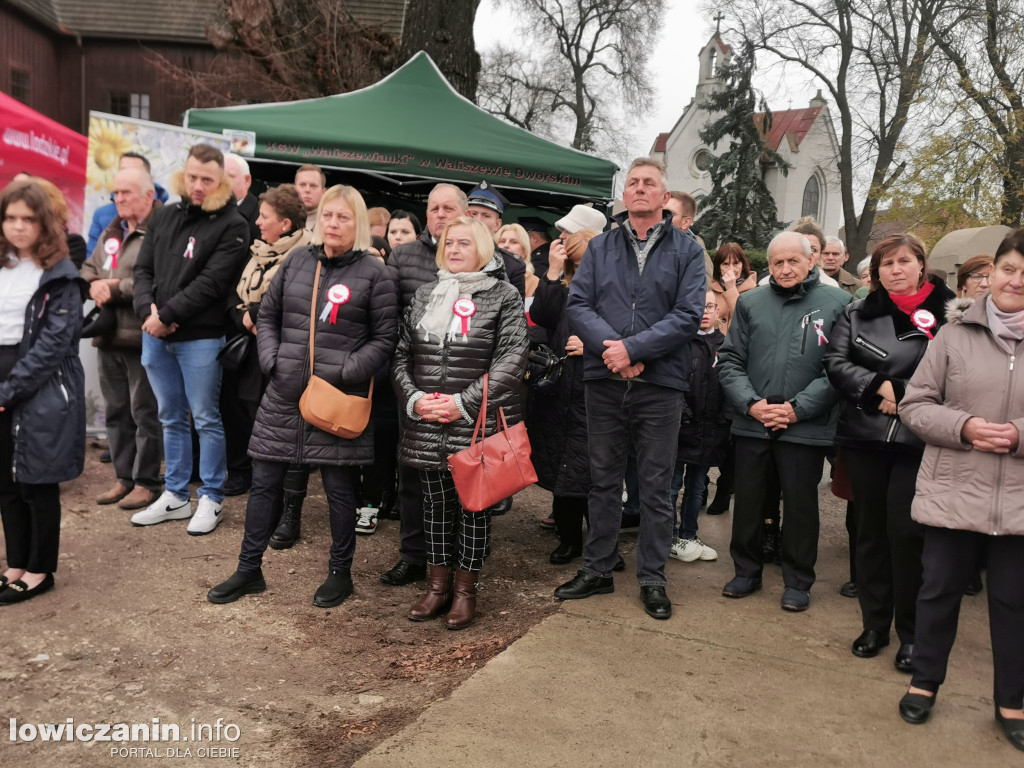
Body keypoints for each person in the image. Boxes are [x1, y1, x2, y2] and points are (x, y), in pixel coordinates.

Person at [208, 185, 399, 607]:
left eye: (343, 217)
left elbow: (386, 339)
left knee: (339, 489)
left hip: (335, 397)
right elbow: (269, 314)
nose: (333, 223)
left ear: (358, 224)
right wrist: (272, 359)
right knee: (264, 483)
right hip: (284, 391)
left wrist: (347, 371)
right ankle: (248, 569)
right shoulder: (296, 260)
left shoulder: (375, 274)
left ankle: (340, 573)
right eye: (328, 215)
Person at [554, 157, 706, 621]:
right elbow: (579, 303)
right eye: (633, 183)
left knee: (657, 487)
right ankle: (598, 569)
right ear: (625, 195)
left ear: (664, 196)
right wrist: (613, 351)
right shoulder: (600, 248)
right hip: (604, 379)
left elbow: (687, 314)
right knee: (602, 482)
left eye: (650, 183)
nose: (640, 189)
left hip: (660, 383)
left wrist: (636, 350)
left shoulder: (688, 250)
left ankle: (653, 579)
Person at [895, 230, 1024, 753]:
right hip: (954, 487)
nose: (1018, 281)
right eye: (1011, 269)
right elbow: (915, 404)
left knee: (1015, 602)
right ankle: (924, 681)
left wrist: (1019, 434)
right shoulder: (954, 335)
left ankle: (1012, 701)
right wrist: (965, 426)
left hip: (1018, 497)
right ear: (992, 272)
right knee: (939, 590)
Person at [825, 233, 955, 670]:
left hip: (920, 441)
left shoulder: (951, 315)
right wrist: (880, 387)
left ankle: (912, 634)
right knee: (870, 534)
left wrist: (906, 396)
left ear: (921, 264)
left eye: (904, 261)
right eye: (886, 264)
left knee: (907, 536)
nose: (896, 269)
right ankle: (874, 624)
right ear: (876, 272)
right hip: (866, 434)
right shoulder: (858, 311)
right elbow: (836, 363)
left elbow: (960, 372)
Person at [393, 215, 528, 629]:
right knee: (435, 507)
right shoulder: (425, 294)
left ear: (483, 248)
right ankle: (437, 588)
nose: (453, 249)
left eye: (464, 243)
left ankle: (465, 591)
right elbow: (402, 356)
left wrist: (462, 403)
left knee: (474, 508)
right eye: (449, 243)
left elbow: (512, 359)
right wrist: (415, 400)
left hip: (475, 424)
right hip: (428, 422)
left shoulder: (503, 295)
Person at [718, 231, 851, 611]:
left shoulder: (838, 303)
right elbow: (730, 360)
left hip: (805, 426)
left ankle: (797, 579)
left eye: (794, 260)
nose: (786, 268)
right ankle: (746, 571)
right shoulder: (750, 303)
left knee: (800, 506)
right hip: (753, 422)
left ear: (812, 261)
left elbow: (838, 369)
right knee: (747, 502)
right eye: (778, 262)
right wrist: (751, 404)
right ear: (768, 266)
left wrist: (797, 408)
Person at [130, 144, 250, 535]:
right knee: (169, 416)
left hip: (200, 337)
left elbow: (213, 283)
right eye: (193, 176)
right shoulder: (164, 215)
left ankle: (212, 497)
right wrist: (149, 311)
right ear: (184, 173)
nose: (198, 185)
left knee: (205, 418)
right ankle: (176, 494)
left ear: (222, 182)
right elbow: (143, 269)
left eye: (207, 180)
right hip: (155, 334)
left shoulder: (233, 224)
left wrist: (167, 316)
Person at [0, 181, 88, 604]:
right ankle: (15, 563)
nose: (18, 227)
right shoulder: (3, 265)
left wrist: (9, 390)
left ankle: (39, 570)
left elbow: (54, 345)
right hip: (3, 378)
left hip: (40, 385)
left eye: (28, 219)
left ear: (44, 224)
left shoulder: (60, 276)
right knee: (6, 482)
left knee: (37, 482)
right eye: (11, 218)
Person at [380, 183, 469, 587]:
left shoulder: (483, 258)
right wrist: (409, 386)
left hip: (463, 391)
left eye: (448, 207)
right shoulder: (403, 256)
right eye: (433, 207)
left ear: (463, 214)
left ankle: (458, 557)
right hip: (415, 387)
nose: (439, 214)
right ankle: (415, 554)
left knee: (462, 475)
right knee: (414, 474)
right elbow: (391, 319)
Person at [80, 166, 164, 511]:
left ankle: (147, 482)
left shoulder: (159, 230)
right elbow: (88, 268)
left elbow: (157, 280)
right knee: (116, 412)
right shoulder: (112, 230)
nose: (118, 198)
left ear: (148, 196)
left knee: (145, 412)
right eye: (115, 193)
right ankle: (124, 478)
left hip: (142, 336)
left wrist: (113, 288)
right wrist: (94, 284)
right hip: (109, 336)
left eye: (126, 192)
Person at [220, 184, 311, 499]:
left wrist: (259, 314)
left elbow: (297, 301)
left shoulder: (305, 256)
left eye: (264, 216)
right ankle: (242, 472)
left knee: (271, 423)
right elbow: (234, 295)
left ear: (285, 224)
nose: (257, 222)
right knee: (236, 412)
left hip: (279, 352)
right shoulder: (256, 252)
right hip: (245, 348)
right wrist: (244, 316)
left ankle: (272, 487)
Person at [530, 228, 600, 564]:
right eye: (576, 260)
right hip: (558, 388)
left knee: (591, 473)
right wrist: (553, 272)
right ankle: (569, 539)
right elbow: (543, 316)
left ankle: (601, 545)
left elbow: (628, 335)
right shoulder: (561, 285)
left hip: (594, 388)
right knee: (562, 468)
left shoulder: (610, 289)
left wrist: (594, 348)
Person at [669, 290, 731, 564]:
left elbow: (732, 382)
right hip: (682, 430)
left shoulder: (726, 345)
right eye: (699, 306)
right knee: (671, 487)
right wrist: (684, 416)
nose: (705, 311)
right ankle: (668, 536)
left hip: (710, 432)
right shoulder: (679, 343)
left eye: (710, 306)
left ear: (718, 312)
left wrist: (724, 419)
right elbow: (672, 382)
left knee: (697, 488)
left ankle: (689, 534)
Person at [86, 152, 168, 256]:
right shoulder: (102, 215)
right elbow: (91, 261)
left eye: (133, 171)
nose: (126, 176)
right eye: (123, 170)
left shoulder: (167, 220)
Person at [466, 181, 526, 299]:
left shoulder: (513, 265)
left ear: (497, 224)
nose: (478, 220)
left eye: (486, 215)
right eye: (473, 213)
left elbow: (515, 313)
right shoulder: (448, 253)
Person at [708, 242, 757, 334]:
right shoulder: (709, 291)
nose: (731, 269)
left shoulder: (754, 292)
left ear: (742, 266)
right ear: (719, 267)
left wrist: (731, 289)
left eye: (736, 263)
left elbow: (744, 320)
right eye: (725, 264)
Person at [665, 190, 713, 276]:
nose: (661, 217)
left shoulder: (696, 252)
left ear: (686, 222)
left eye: (670, 213)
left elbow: (703, 286)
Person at [224, 153, 261, 244]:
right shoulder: (203, 210)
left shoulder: (262, 218)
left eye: (229, 177)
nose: (222, 182)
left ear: (246, 181)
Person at [294, 164, 326, 230]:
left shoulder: (329, 224)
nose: (307, 190)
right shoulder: (281, 219)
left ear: (323, 192)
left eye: (313, 186)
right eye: (302, 185)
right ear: (294, 189)